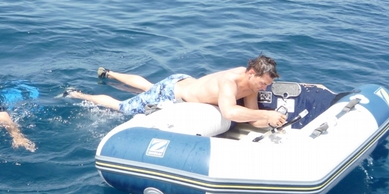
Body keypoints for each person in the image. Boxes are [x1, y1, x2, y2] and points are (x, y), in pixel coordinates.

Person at [63, 54, 287, 129]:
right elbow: (229, 112)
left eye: (267, 85)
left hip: (181, 82)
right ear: (251, 73)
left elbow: (252, 118)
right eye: (263, 83)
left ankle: (109, 73)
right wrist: (266, 114)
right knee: (122, 107)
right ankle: (78, 94)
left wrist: (274, 121)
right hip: (171, 93)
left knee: (150, 87)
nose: (264, 88)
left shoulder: (251, 85)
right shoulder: (230, 82)